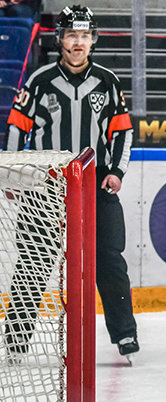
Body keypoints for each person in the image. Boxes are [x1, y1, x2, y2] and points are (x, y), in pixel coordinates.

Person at [5, 5, 138, 358]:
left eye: (84, 35)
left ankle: (125, 335)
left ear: (91, 40)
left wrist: (116, 172)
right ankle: (15, 341)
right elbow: (19, 127)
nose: (78, 42)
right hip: (44, 188)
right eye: (71, 35)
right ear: (60, 39)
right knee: (33, 263)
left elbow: (122, 132)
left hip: (95, 188)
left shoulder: (108, 82)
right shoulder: (39, 80)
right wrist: (16, 173)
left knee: (109, 261)